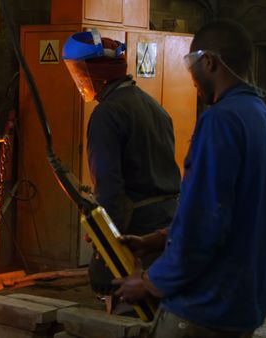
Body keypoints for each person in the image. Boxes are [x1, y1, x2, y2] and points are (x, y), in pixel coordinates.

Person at [112, 20, 266, 338]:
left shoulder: (220, 121)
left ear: (209, 62)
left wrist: (150, 282)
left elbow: (204, 223)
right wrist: (153, 240)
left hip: (203, 308)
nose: (191, 79)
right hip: (243, 305)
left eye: (192, 66)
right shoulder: (265, 119)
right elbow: (241, 214)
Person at [62, 29, 181, 306]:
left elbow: (110, 192)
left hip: (137, 231)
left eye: (80, 72)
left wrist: (105, 254)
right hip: (167, 226)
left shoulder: (107, 114)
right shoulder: (152, 105)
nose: (79, 80)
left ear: (97, 73)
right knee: (160, 311)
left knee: (132, 313)